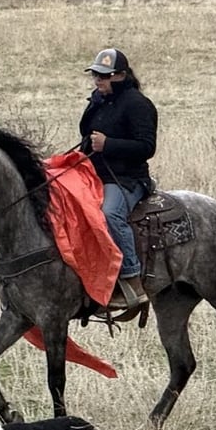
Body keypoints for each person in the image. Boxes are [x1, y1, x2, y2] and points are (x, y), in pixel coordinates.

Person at [79, 47, 158, 310]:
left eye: (104, 76)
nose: (98, 80)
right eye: (96, 76)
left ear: (121, 75)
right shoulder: (98, 100)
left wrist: (108, 144)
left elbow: (147, 147)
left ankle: (131, 278)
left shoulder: (138, 105)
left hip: (127, 179)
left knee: (110, 214)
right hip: (94, 175)